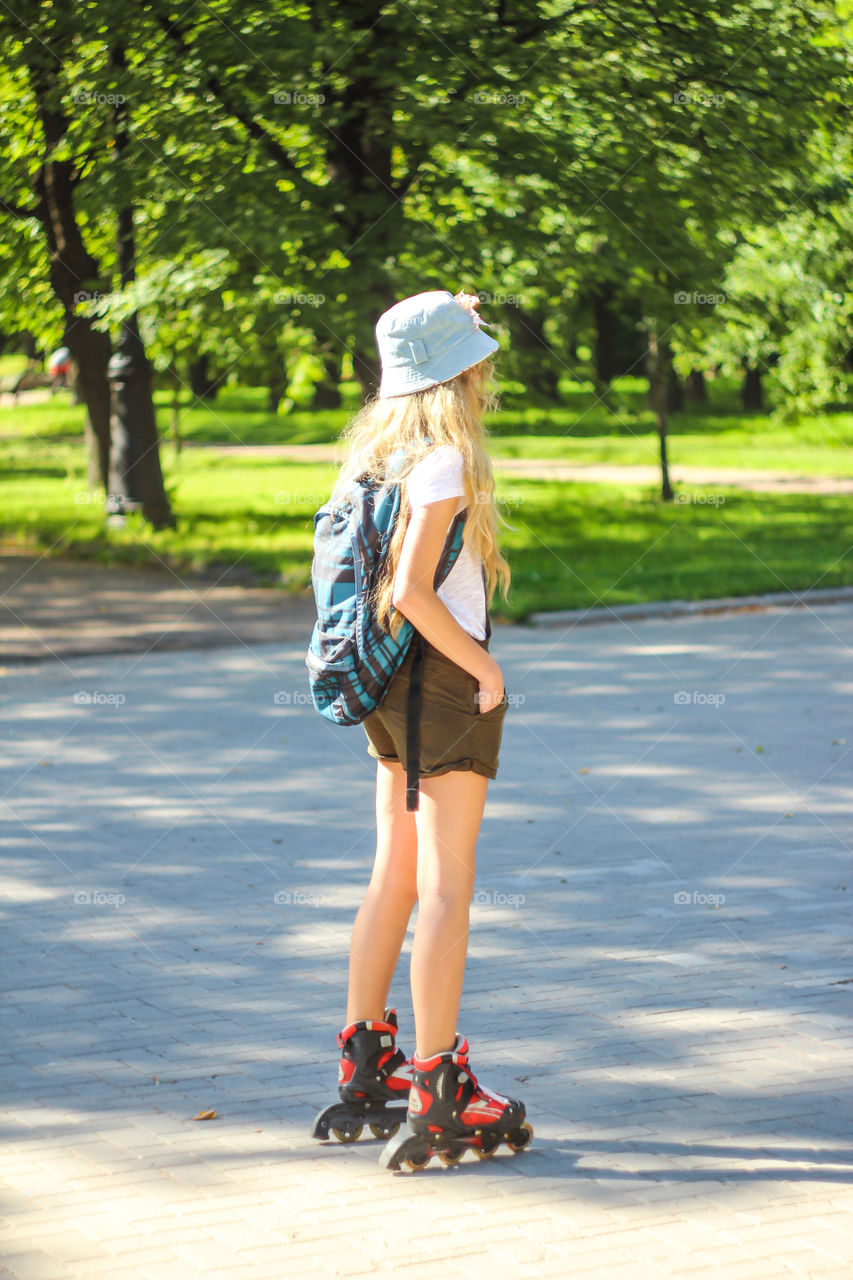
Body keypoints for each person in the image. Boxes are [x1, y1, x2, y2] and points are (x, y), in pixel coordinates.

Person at [323, 289, 530, 1165]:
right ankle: (441, 1090)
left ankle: (369, 1068)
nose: (487, 372)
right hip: (441, 680)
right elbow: (411, 590)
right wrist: (485, 669)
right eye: (477, 358)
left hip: (385, 681)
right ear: (461, 373)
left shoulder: (374, 455)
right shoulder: (444, 460)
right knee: (447, 887)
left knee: (394, 876)